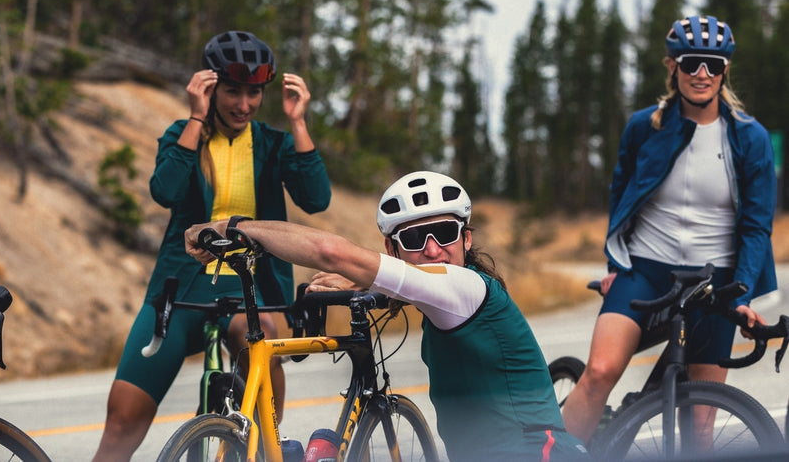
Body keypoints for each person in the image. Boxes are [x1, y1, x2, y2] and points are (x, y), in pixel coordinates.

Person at [185, 171, 588, 461]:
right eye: (413, 238)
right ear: (393, 251)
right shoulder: (444, 296)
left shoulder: (467, 287)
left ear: (466, 238)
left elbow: (333, 253)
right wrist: (367, 287)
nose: (432, 250)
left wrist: (236, 227)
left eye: (445, 233)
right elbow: (408, 284)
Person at [92, 30, 332, 461]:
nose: (244, 104)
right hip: (180, 293)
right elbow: (164, 190)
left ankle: (266, 448)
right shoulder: (184, 134)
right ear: (210, 85)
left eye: (254, 93)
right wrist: (196, 119)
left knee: (254, 337)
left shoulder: (272, 144)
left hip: (248, 290)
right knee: (122, 420)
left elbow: (316, 199)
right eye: (233, 90)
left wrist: (297, 123)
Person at [560, 15, 777, 444]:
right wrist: (614, 265)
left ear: (724, 71)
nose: (702, 73)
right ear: (672, 66)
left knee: (700, 422)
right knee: (600, 372)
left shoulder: (750, 139)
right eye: (692, 62)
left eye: (712, 65)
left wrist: (744, 295)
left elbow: (756, 227)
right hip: (645, 270)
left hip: (715, 279)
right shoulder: (646, 126)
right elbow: (621, 195)